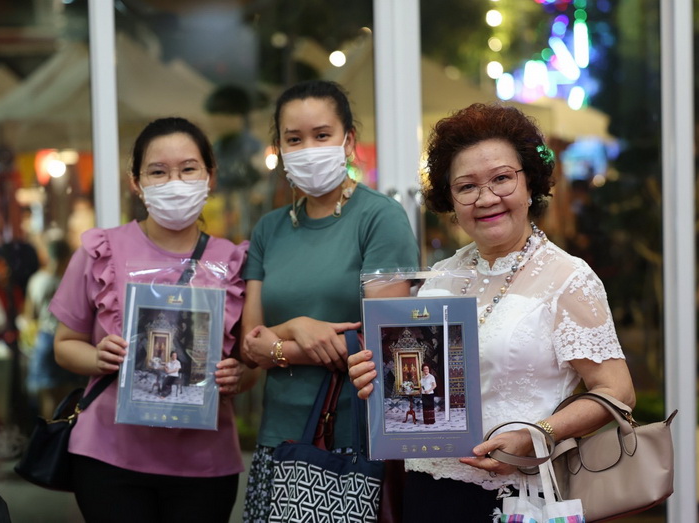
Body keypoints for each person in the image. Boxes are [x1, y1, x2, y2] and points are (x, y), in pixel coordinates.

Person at [348, 103, 635, 520]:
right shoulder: (439, 278)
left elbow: (618, 393)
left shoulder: (568, 278)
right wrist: (379, 377)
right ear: (451, 199)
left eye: (501, 179)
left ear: (529, 182)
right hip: (429, 491)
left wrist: (535, 435)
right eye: (467, 187)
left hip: (518, 493)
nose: (485, 198)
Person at [51, 117, 253, 523]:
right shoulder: (101, 250)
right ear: (136, 182)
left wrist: (240, 376)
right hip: (109, 456)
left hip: (204, 463)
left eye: (188, 168)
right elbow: (64, 344)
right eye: (158, 172)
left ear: (210, 176)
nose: (174, 182)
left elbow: (251, 362)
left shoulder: (234, 261)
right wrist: (98, 357)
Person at [239, 79, 419, 521]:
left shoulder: (380, 218)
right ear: (280, 149)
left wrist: (279, 349)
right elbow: (251, 343)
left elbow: (389, 343)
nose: (308, 149)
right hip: (277, 439)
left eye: (322, 135)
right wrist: (296, 328)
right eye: (294, 139)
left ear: (348, 140)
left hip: (351, 441)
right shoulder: (269, 229)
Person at [23, 235, 82, 418]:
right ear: (67, 257)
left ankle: (47, 432)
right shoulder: (70, 282)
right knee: (69, 397)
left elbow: (30, 314)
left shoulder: (36, 280)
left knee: (48, 397)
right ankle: (63, 433)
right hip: (68, 340)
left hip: (45, 339)